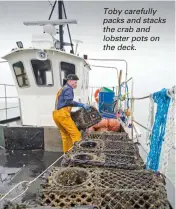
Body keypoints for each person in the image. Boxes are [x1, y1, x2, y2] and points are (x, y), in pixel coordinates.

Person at [53, 74, 90, 153]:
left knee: (65, 136)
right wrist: (82, 105)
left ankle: (67, 154)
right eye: (75, 82)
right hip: (63, 114)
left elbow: (62, 102)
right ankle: (78, 155)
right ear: (69, 81)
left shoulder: (63, 88)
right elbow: (68, 101)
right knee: (76, 134)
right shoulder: (68, 89)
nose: (76, 84)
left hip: (56, 114)